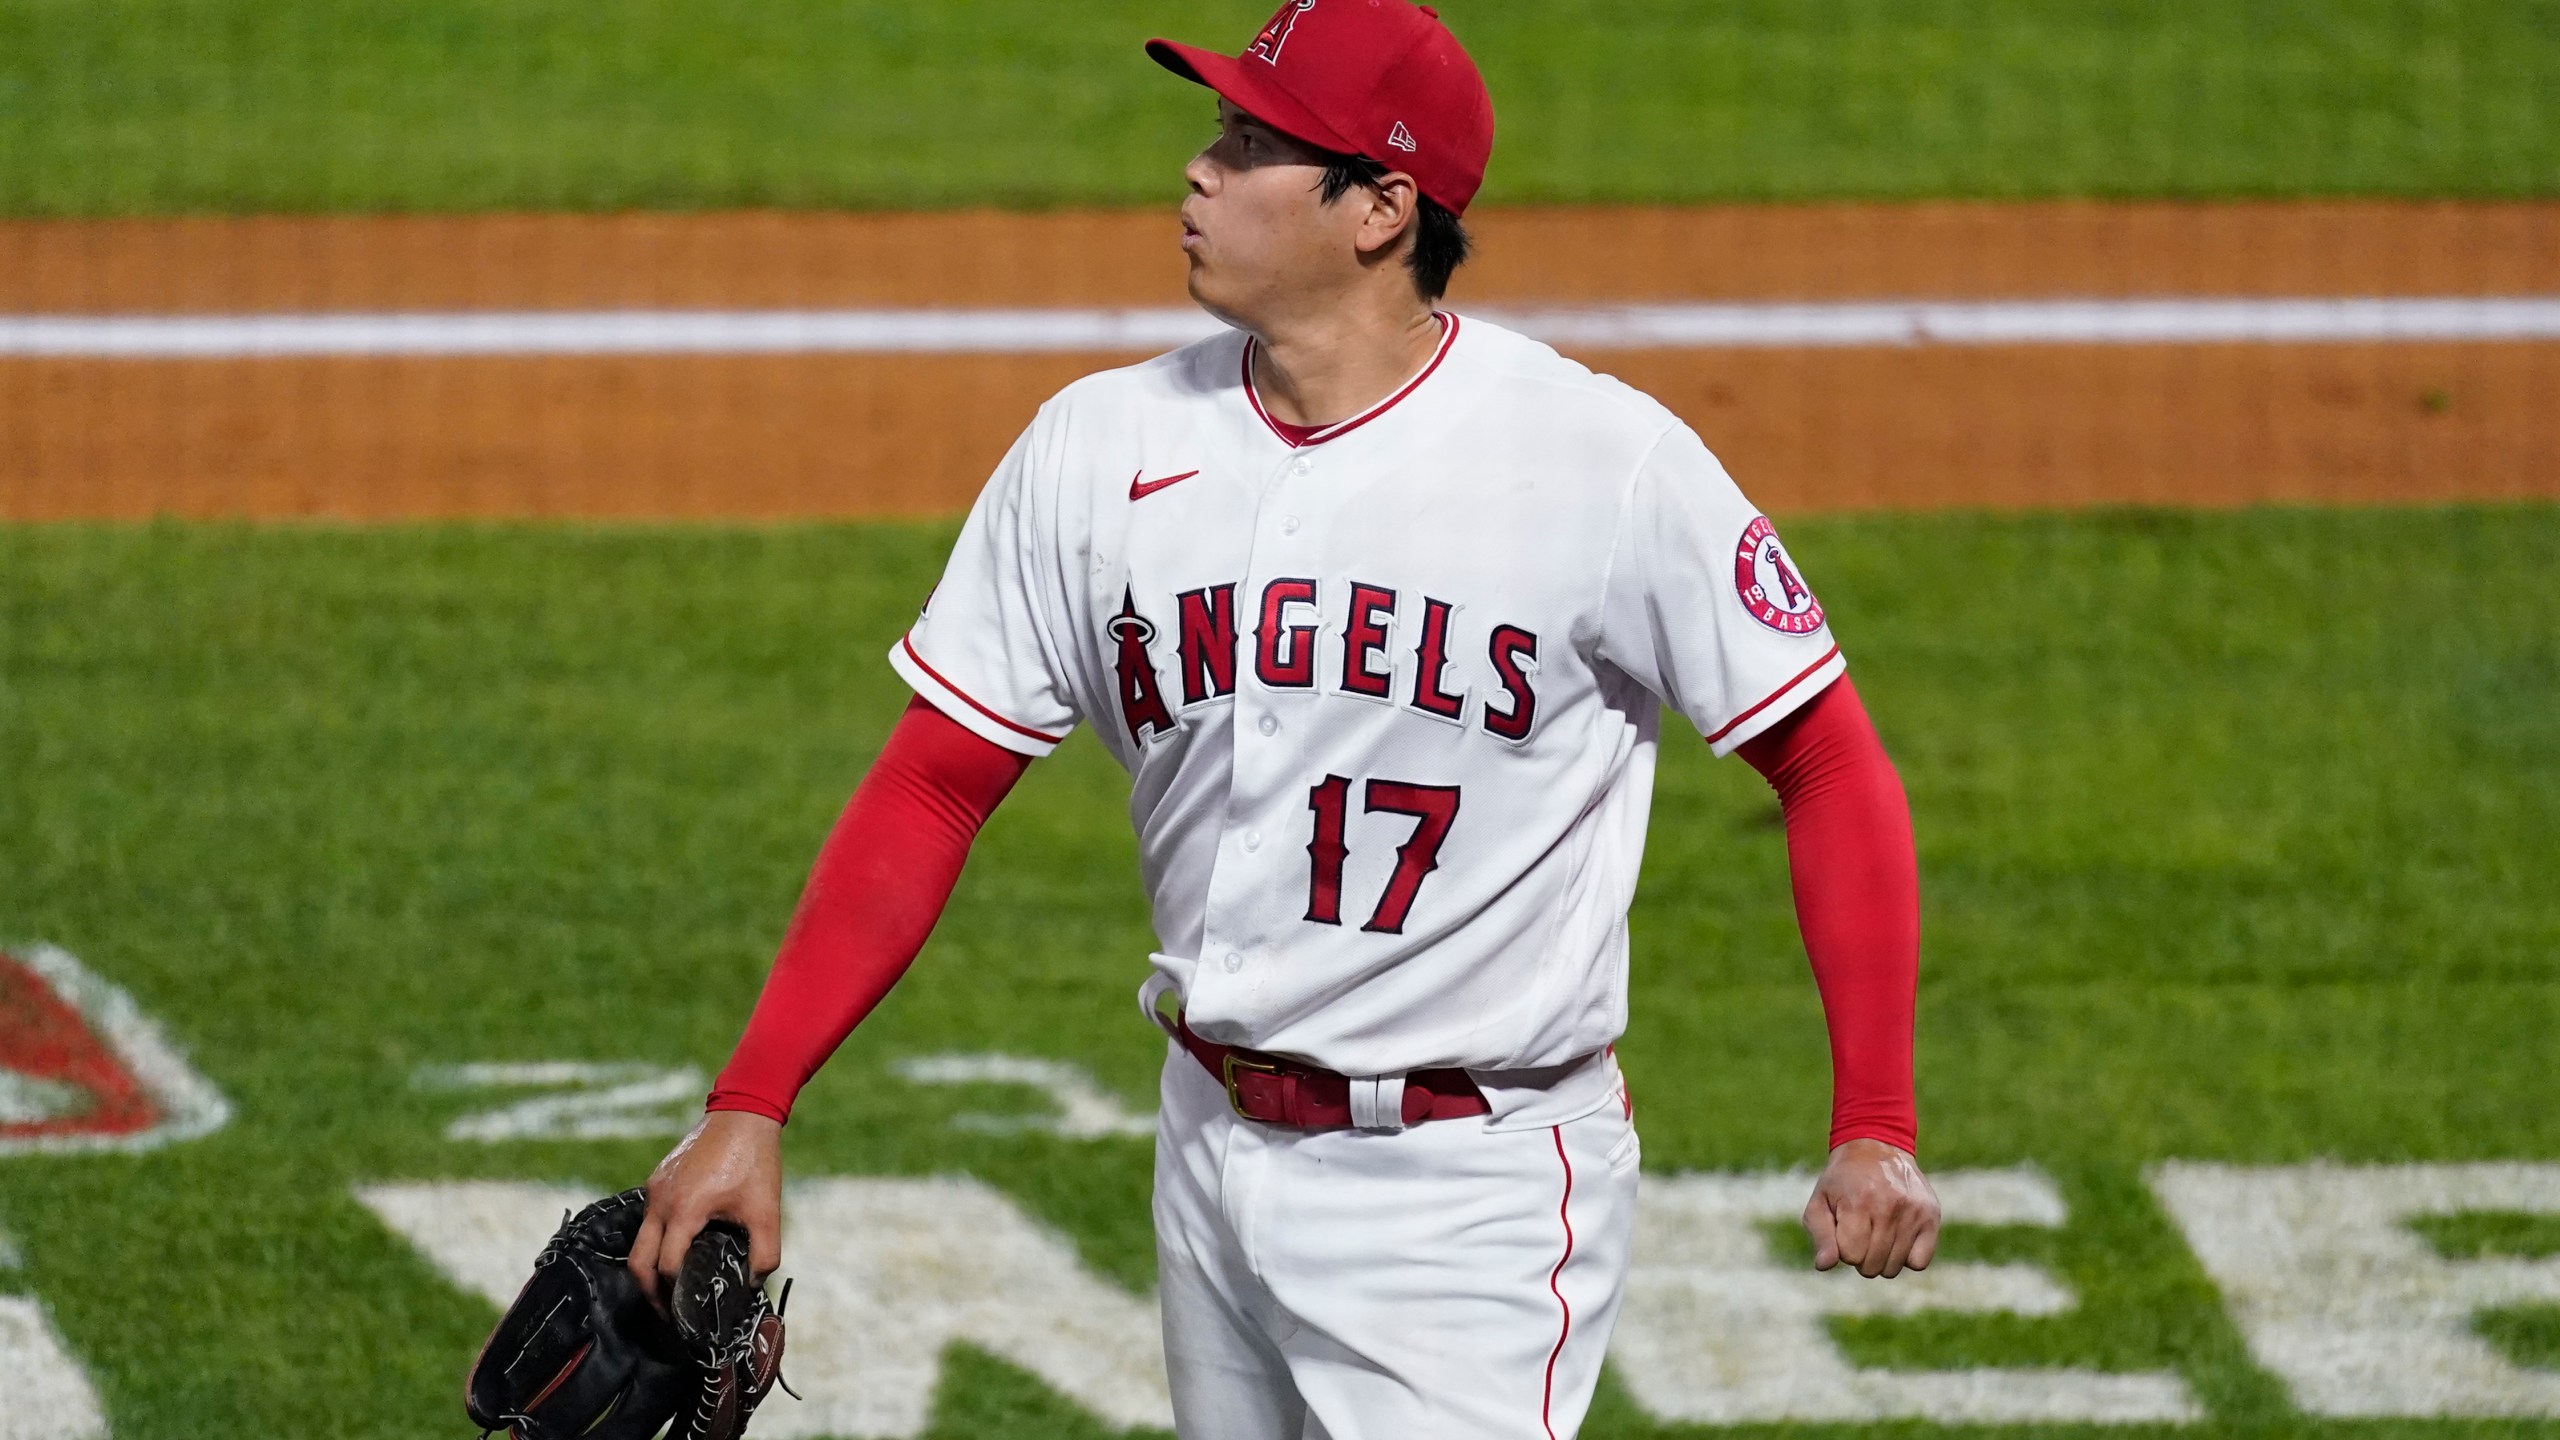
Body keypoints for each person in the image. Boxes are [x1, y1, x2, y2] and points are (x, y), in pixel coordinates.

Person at [632, 3, 1939, 1434]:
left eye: (1252, 144)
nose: (1198, 170)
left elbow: (1825, 759)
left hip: (1471, 1191)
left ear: (1381, 208)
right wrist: (753, 1099)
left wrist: (1873, 1122)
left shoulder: (1603, 467)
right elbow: (934, 786)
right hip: (1208, 1144)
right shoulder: (1099, 447)